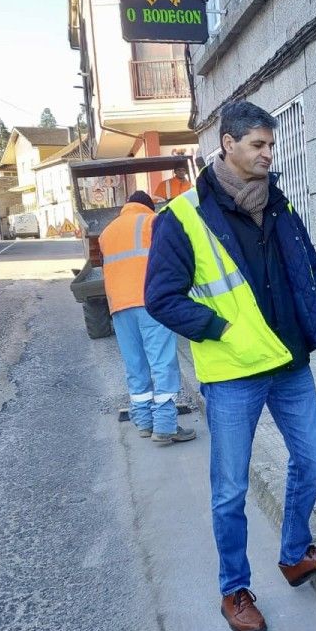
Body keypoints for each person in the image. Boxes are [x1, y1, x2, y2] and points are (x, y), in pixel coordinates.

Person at [145, 100, 316, 631]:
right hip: (233, 374)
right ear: (226, 144)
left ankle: (295, 553)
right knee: (229, 488)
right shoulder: (183, 217)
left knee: (314, 461)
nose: (269, 155)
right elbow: (161, 298)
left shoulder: (281, 206)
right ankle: (234, 589)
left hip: (290, 362)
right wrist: (222, 329)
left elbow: (310, 275)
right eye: (259, 145)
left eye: (272, 145)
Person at [100, 190, 196, 445]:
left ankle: (143, 422)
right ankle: (165, 426)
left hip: (119, 306)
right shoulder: (154, 221)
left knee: (135, 365)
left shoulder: (107, 232)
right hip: (151, 302)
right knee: (162, 363)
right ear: (148, 207)